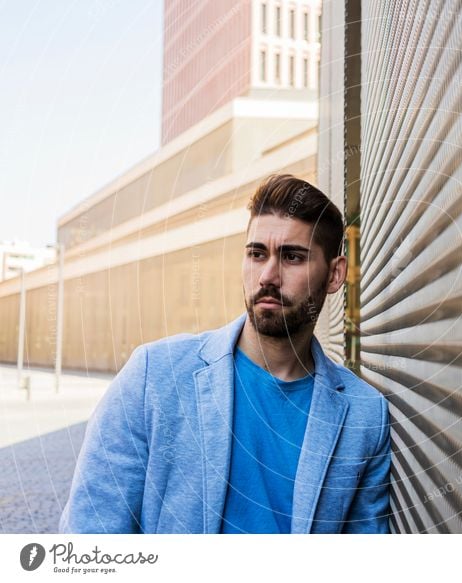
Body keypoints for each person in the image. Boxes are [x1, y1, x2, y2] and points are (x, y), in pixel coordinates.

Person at [59, 174, 391, 534]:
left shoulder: (364, 415)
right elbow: (92, 530)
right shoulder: (154, 375)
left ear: (334, 275)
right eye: (256, 253)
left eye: (292, 257)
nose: (268, 275)